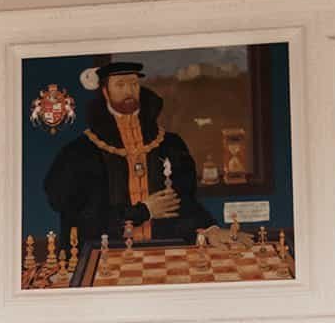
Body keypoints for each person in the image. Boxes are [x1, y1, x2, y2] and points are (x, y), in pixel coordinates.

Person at [42, 61, 215, 249]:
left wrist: (211, 228)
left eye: (133, 84)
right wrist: (143, 211)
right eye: (120, 85)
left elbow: (185, 201)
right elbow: (75, 211)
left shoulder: (170, 144)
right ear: (105, 92)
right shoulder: (79, 152)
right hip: (106, 252)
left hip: (165, 248)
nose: (129, 91)